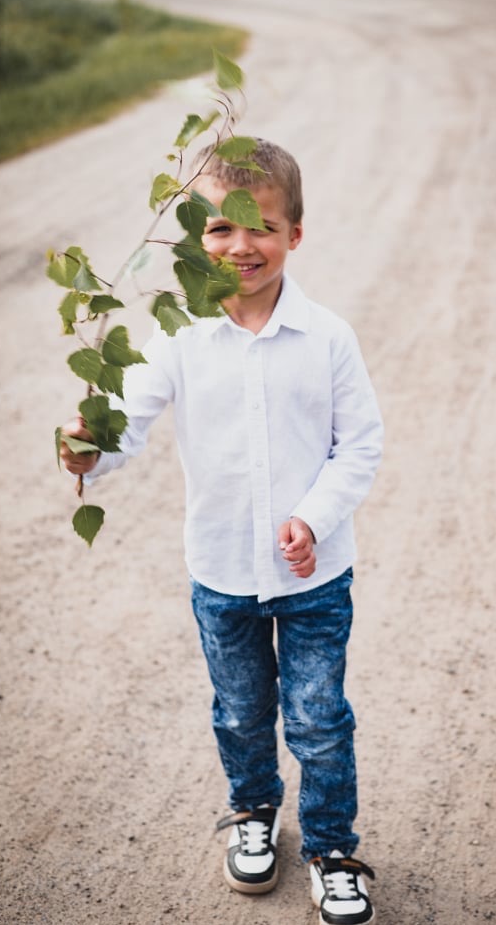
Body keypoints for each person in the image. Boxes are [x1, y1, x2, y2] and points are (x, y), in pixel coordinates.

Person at [60, 138, 383, 925]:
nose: (242, 246)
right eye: (220, 230)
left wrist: (312, 517)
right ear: (193, 236)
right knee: (239, 711)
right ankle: (252, 812)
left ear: (294, 235)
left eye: (262, 227)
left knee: (316, 717)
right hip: (222, 574)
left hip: (314, 577)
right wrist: (86, 448)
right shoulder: (178, 335)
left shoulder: (328, 338)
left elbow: (361, 447)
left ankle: (334, 850)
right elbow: (126, 428)